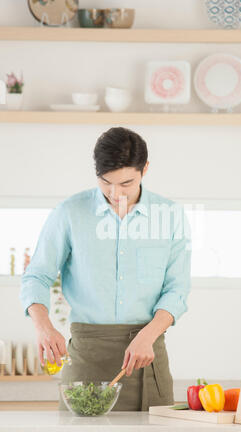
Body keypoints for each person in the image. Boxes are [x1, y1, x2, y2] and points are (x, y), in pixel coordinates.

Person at [20, 127, 192, 411]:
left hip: (147, 354)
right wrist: (44, 326)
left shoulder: (170, 215)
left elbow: (177, 289)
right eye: (106, 182)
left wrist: (147, 336)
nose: (115, 193)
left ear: (145, 169)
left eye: (126, 183)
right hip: (86, 359)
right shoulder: (69, 213)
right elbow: (37, 274)